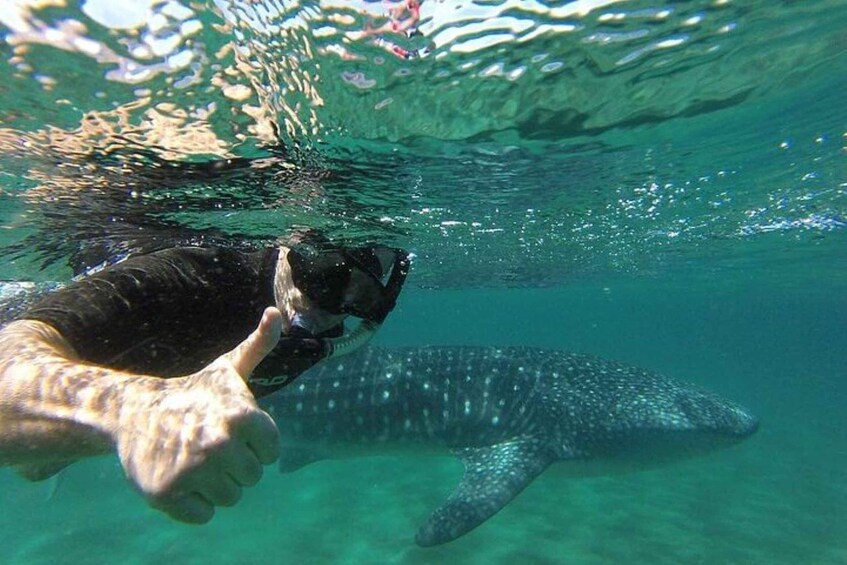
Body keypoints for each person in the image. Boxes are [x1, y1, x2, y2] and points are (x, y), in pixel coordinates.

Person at [0, 242, 410, 524]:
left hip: (54, 432)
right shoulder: (195, 274)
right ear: (293, 247)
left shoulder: (311, 337)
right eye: (326, 276)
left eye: (360, 296)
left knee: (38, 464)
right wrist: (136, 410)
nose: (329, 308)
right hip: (54, 369)